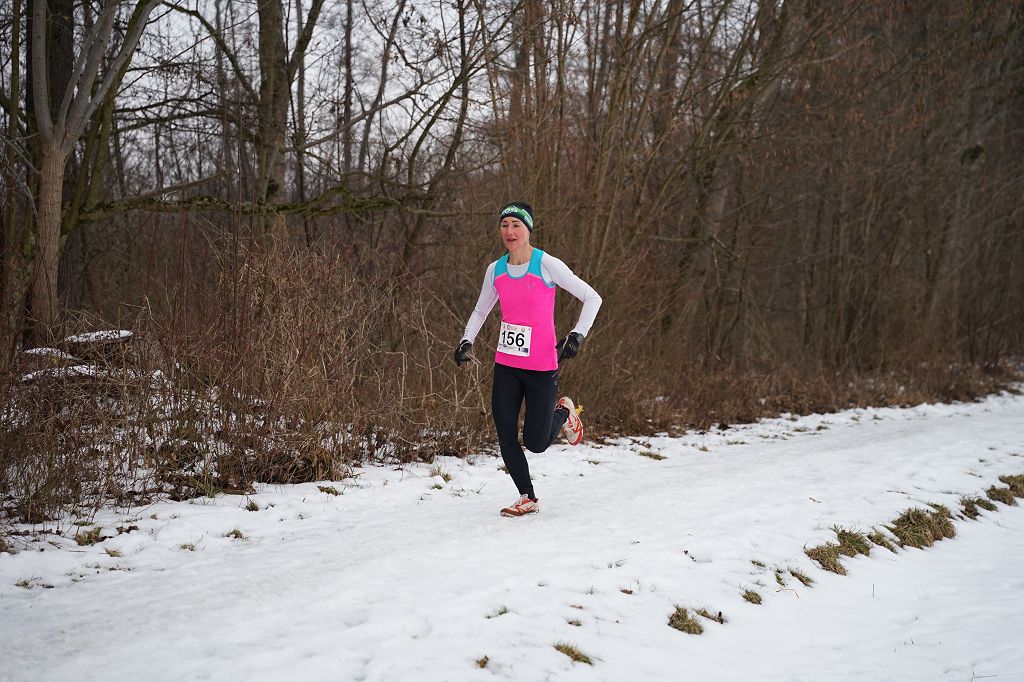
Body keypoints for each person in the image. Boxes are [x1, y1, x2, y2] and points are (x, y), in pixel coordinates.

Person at [454, 202, 602, 517]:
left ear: (528, 230)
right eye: (504, 225)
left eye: (516, 225)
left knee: (536, 443)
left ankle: (564, 412)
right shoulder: (495, 270)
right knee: (505, 434)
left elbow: (592, 297)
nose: (509, 231)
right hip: (507, 366)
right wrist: (467, 339)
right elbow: (481, 310)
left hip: (541, 368)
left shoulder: (546, 264)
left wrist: (577, 335)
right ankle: (528, 496)